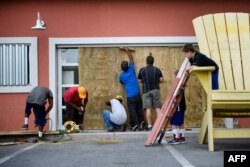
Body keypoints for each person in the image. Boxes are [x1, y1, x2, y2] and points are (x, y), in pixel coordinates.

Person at [119, 47, 144, 131]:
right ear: (128, 66)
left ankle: (135, 125)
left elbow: (122, 82)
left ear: (122, 68)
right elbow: (131, 58)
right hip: (137, 94)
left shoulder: (121, 76)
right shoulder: (131, 69)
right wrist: (126, 50)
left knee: (132, 111)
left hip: (130, 96)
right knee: (139, 109)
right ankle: (141, 123)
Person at [138, 53, 164, 131]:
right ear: (153, 62)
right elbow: (162, 80)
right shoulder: (157, 69)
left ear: (146, 62)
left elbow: (139, 80)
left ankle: (149, 126)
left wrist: (144, 81)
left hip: (146, 91)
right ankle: (160, 126)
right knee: (157, 108)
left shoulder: (142, 70)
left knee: (148, 109)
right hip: (155, 90)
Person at [168, 70, 186, 144]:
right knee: (180, 122)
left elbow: (176, 94)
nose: (174, 77)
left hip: (177, 106)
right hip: (182, 106)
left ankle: (176, 139)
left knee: (174, 123)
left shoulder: (178, 84)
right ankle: (181, 138)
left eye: (175, 75)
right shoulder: (181, 83)